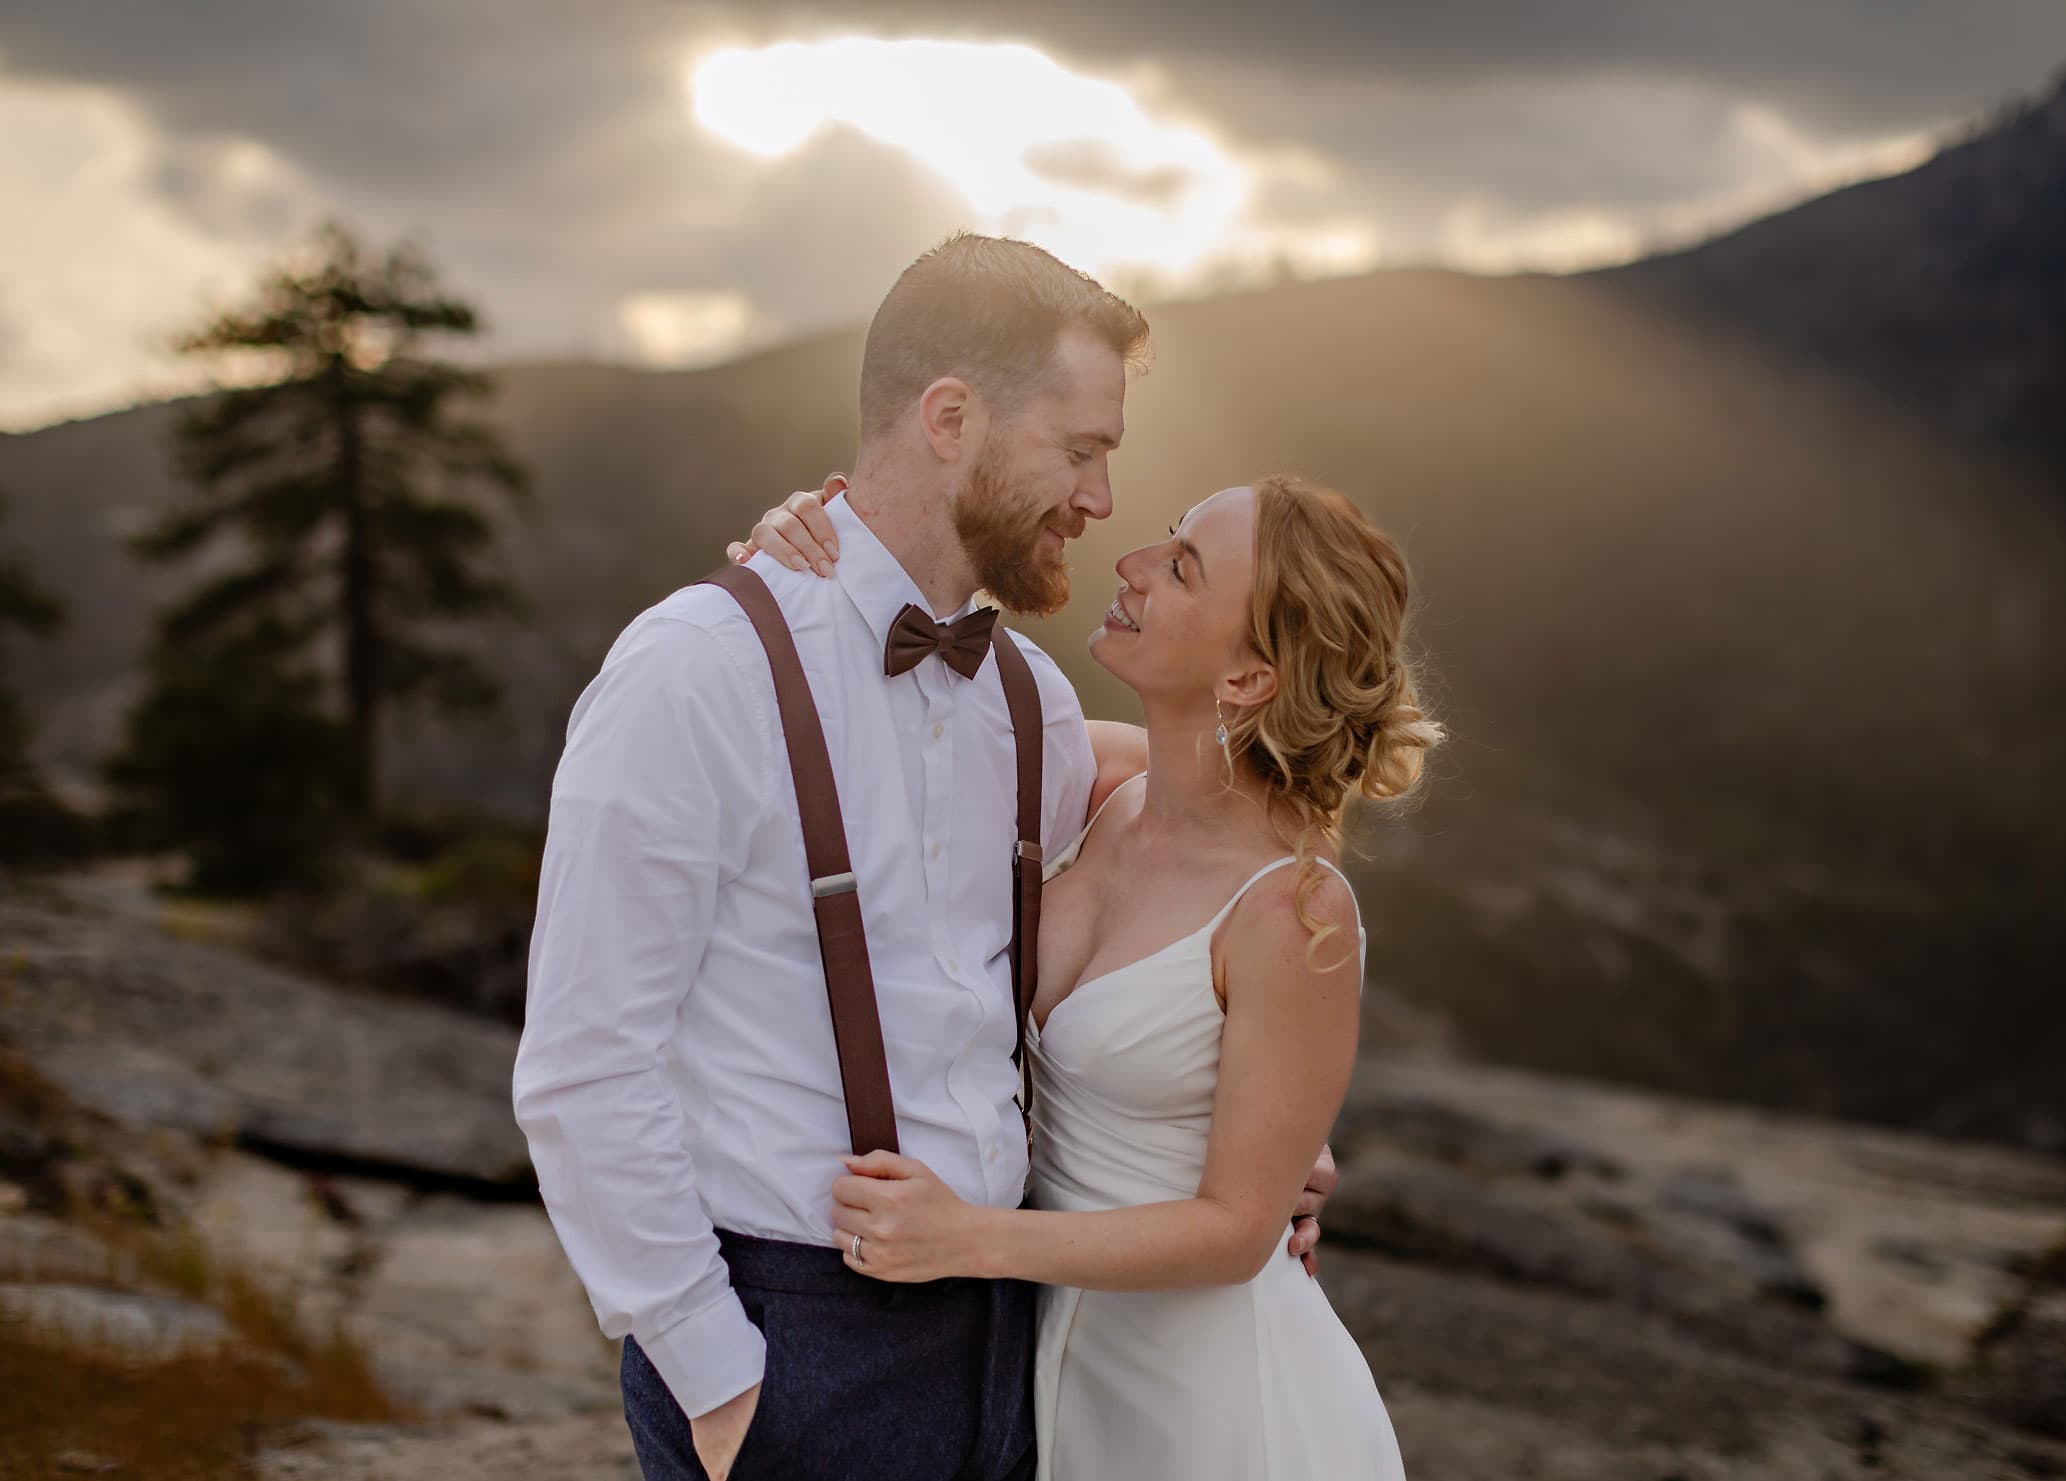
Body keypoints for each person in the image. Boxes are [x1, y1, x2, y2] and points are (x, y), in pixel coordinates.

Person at [511, 232, 1339, 1481]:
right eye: (1079, 449)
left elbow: (1229, 837)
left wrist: (1285, 1123)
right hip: (790, 1343)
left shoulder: (1035, 704)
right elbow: (581, 1061)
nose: (1099, 502)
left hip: (1016, 1336)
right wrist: (715, 1372)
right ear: (950, 416)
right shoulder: (697, 669)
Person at [741, 472, 1439, 1477]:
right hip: (1057, 1372)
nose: (1132, 563)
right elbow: (877, 717)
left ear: (1246, 676)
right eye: (1164, 539)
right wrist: (800, 540)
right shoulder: (1093, 779)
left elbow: (1235, 1233)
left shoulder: (1295, 907)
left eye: (1182, 566)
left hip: (1221, 1408)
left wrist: (964, 1237)